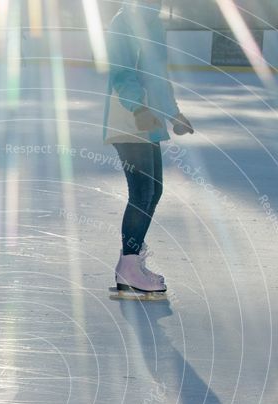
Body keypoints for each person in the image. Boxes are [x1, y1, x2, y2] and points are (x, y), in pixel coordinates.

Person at [104, 1, 193, 294]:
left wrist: (173, 113)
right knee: (142, 191)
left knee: (153, 190)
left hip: (149, 117)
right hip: (130, 116)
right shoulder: (123, 22)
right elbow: (121, 72)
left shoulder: (153, 24)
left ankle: (130, 261)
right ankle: (128, 265)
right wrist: (137, 107)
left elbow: (158, 77)